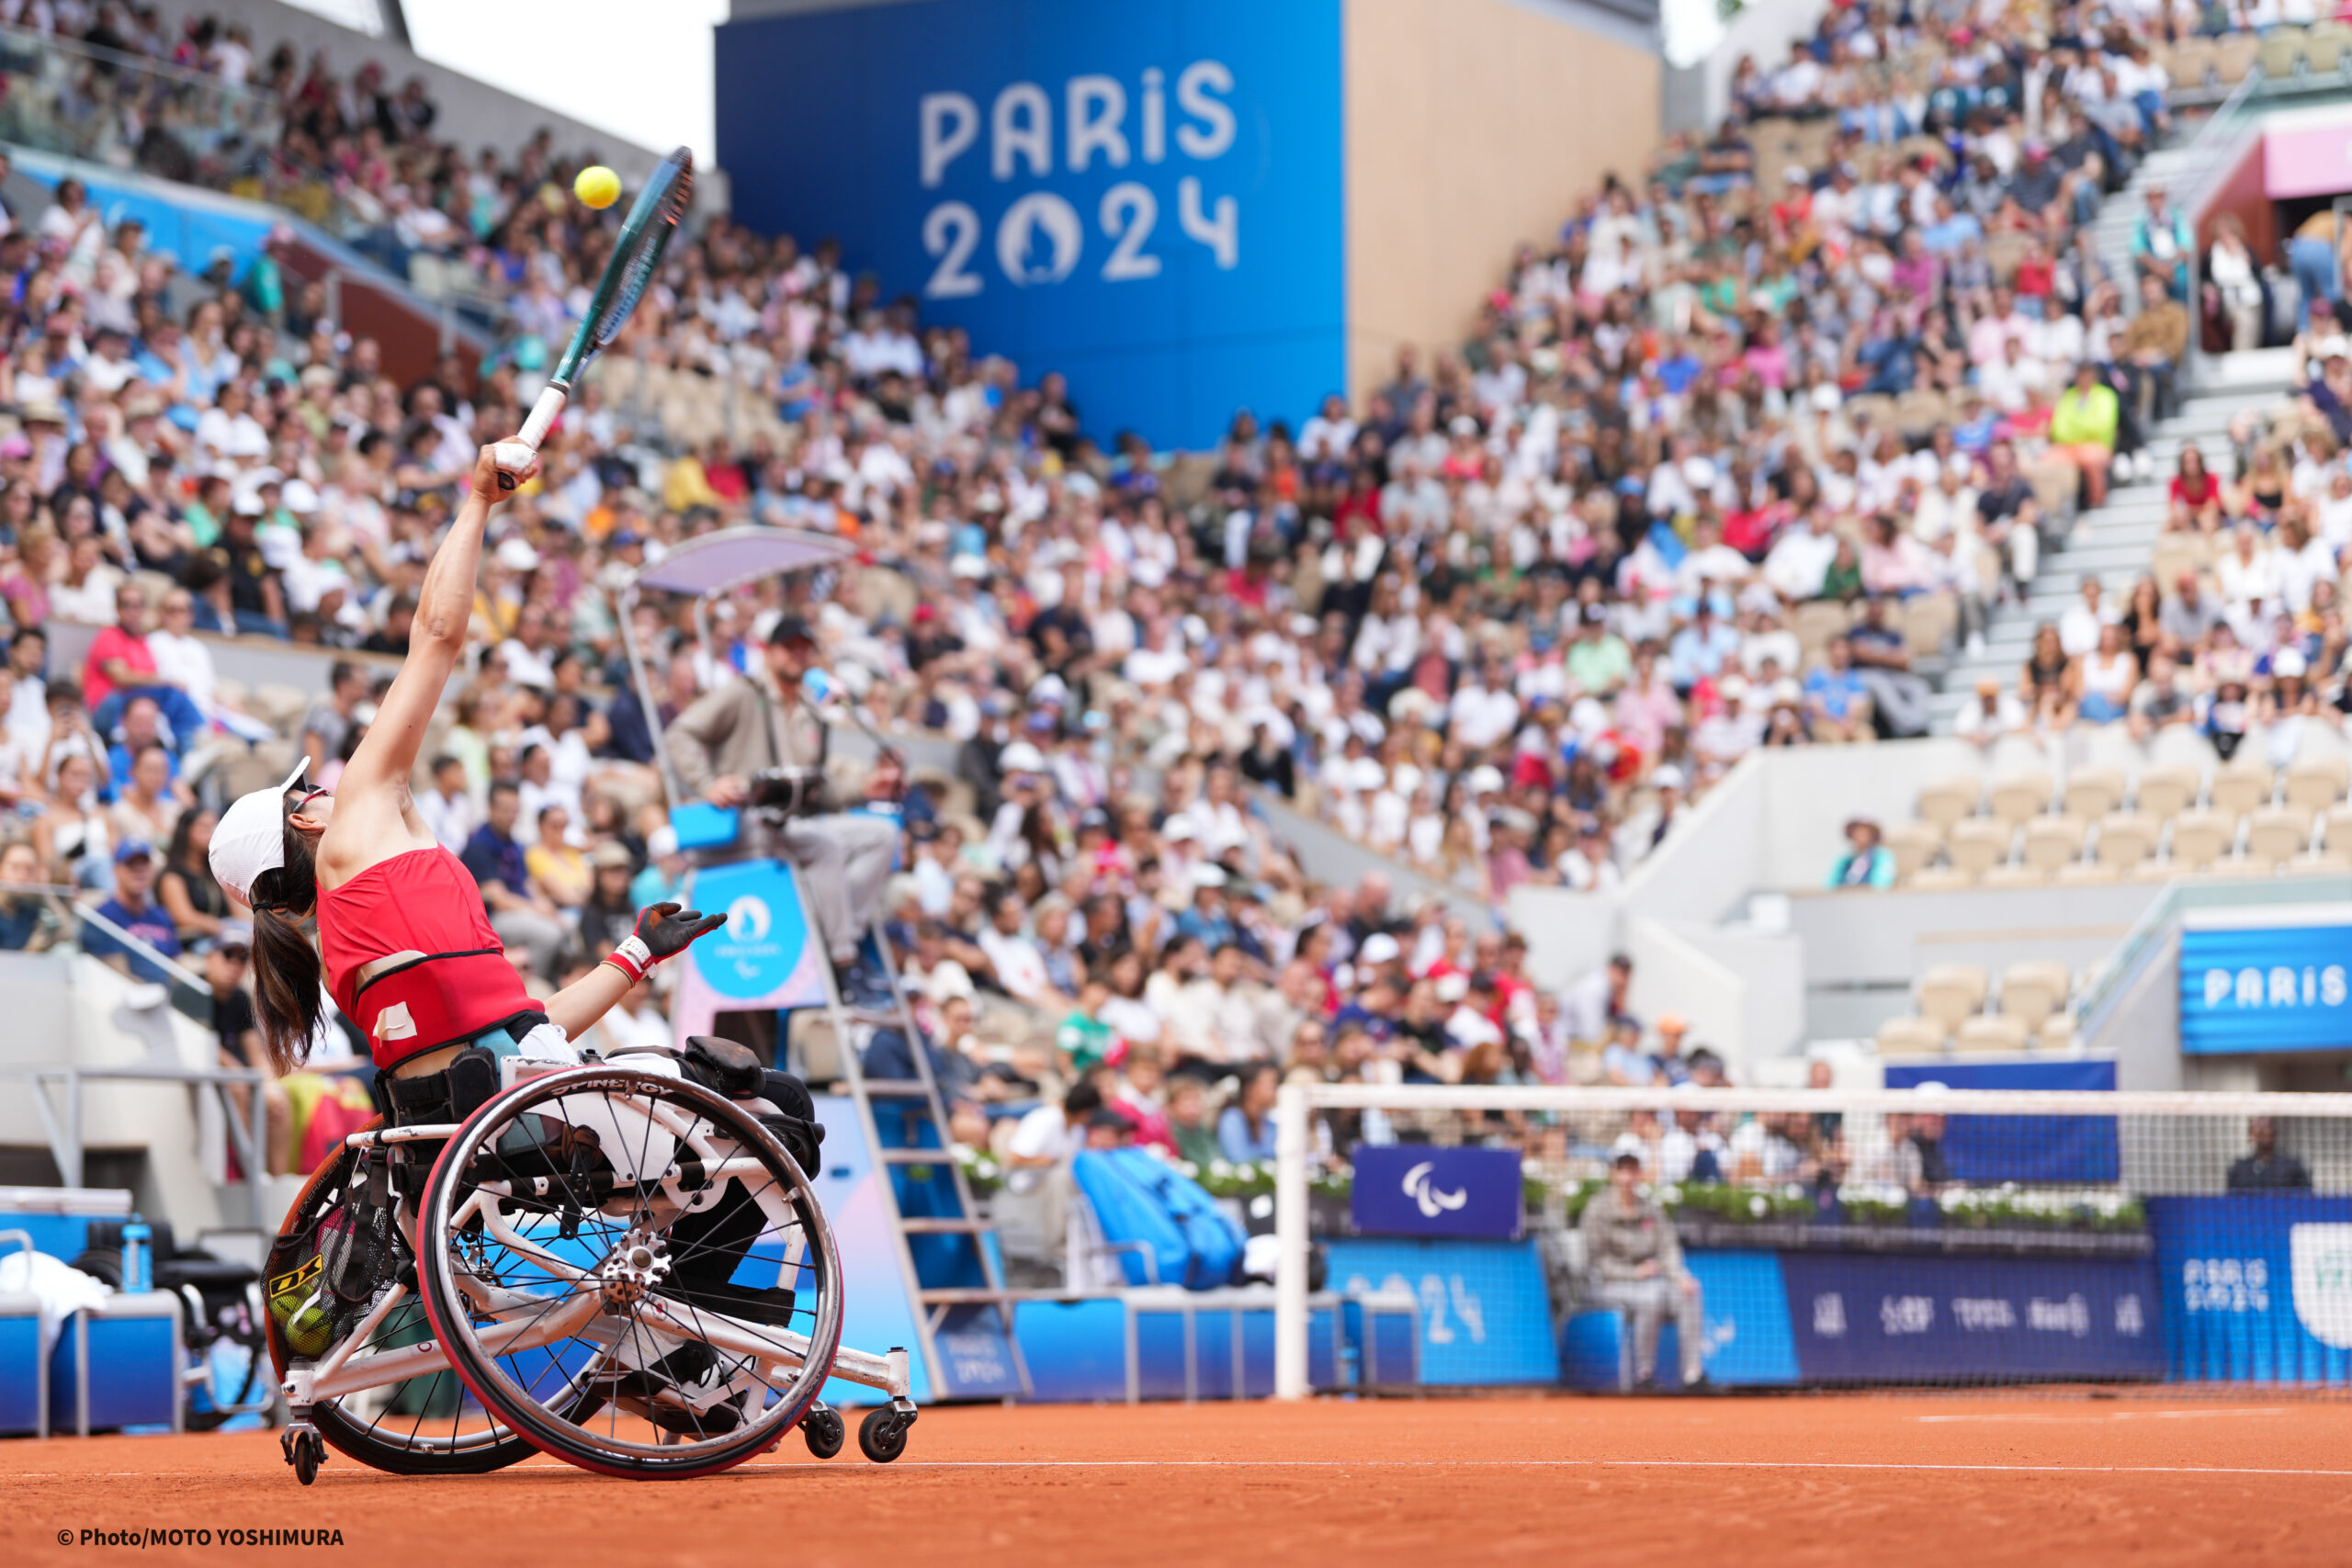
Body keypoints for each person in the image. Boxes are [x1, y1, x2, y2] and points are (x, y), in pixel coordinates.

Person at [202, 446, 748, 1145]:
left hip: (489, 1126)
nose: (327, 788)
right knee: (773, 1107)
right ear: (305, 817)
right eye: (310, 788)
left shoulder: (345, 962)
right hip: (533, 1118)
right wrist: (478, 501)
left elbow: (522, 1032)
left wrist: (636, 953)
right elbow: (436, 635)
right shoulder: (356, 833)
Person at [664, 614, 899, 972]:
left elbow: (821, 788)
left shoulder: (811, 711)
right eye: (789, 648)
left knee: (882, 835)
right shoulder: (745, 693)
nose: (797, 656)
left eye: (805, 649)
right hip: (746, 820)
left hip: (795, 822)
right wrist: (708, 782)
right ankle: (842, 959)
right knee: (823, 846)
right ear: (770, 651)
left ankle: (838, 933)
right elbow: (680, 733)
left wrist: (864, 788)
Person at [1578, 1152, 1708, 1392]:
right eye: (1623, 1170)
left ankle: (1692, 1374)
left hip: (1651, 1282)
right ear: (1614, 1173)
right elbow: (1595, 1259)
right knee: (1652, 1297)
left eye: (1633, 1170)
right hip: (1608, 1284)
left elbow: (1668, 1247)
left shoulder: (1651, 1209)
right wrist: (1633, 1273)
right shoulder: (1597, 1209)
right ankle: (1644, 1374)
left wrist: (1681, 1277)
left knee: (1689, 1293)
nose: (1628, 1177)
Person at [83, 840, 183, 982]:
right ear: (116, 870)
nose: (139, 871)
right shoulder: (103, 916)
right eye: (131, 865)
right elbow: (116, 976)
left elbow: (176, 970)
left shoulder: (161, 915)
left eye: (144, 864)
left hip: (166, 996)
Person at [0, 838, 65, 951]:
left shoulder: (29, 910)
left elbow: (66, 934)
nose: (22, 875)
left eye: (30, 869)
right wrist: (30, 950)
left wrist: (45, 888)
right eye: (15, 867)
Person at [1217, 1062, 1282, 1162]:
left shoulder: (1269, 1121)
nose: (1276, 1090)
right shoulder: (1232, 1118)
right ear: (1250, 1089)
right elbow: (1239, 1159)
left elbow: (1277, 1154)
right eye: (1271, 1085)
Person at [2226, 1117, 2312, 1191]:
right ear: (2251, 1134)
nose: (2262, 1131)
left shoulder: (2292, 1167)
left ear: (2274, 1132)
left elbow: (2306, 1197)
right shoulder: (2240, 1169)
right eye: (2258, 1127)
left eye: (2266, 1127)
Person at [1826, 818, 1896, 888]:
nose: (1861, 836)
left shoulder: (1881, 856)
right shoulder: (1846, 860)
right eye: (1857, 832)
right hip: (1845, 897)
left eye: (1865, 833)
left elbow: (1881, 883)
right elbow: (1831, 883)